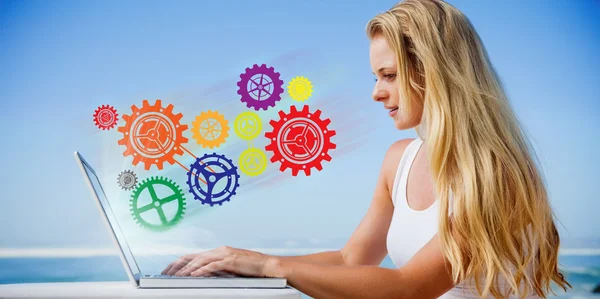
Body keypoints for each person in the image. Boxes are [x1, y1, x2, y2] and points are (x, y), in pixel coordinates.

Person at [161, 0, 572, 298]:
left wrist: (270, 267)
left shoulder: (496, 173)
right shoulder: (400, 160)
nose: (377, 93)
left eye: (389, 75)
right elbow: (351, 260)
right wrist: (242, 261)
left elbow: (410, 288)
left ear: (439, 74)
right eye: (376, 76)